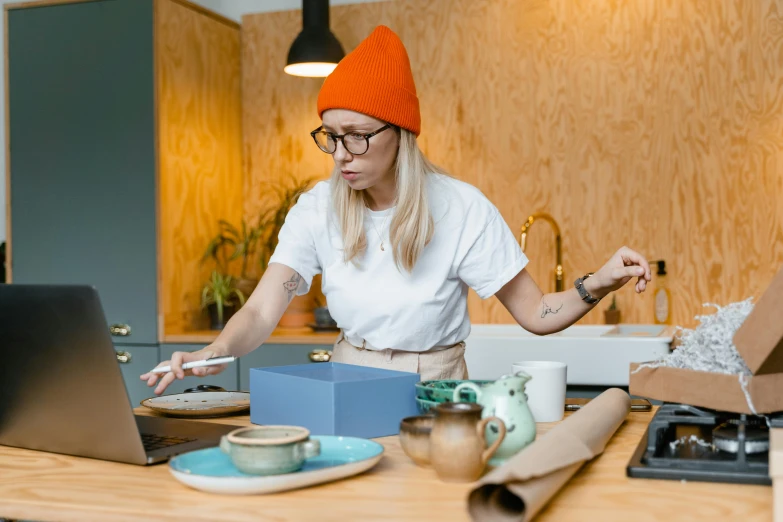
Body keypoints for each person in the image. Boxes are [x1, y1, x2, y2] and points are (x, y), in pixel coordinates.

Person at [142, 25, 651, 395]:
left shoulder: (461, 208)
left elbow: (537, 314)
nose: (341, 153)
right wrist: (213, 352)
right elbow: (260, 310)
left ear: (400, 135)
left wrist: (599, 282)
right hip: (346, 378)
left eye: (358, 137)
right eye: (332, 136)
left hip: (436, 388)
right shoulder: (317, 209)